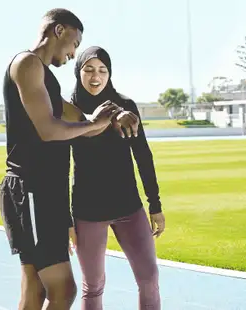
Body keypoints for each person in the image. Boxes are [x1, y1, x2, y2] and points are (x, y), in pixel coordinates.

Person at [0, 9, 138, 310]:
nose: (75, 53)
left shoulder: (46, 78)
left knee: (35, 290)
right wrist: (93, 125)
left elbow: (82, 120)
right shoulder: (27, 64)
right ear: (59, 30)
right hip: (31, 190)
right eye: (76, 42)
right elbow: (49, 130)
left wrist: (116, 117)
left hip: (46, 192)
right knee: (64, 290)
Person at [68, 46, 166, 310]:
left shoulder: (127, 107)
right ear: (78, 72)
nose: (95, 76)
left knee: (149, 279)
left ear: (110, 73)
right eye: (88, 69)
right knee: (94, 286)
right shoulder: (68, 111)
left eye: (102, 70)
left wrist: (154, 205)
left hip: (129, 208)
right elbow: (57, 168)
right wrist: (65, 220)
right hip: (88, 212)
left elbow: (143, 157)